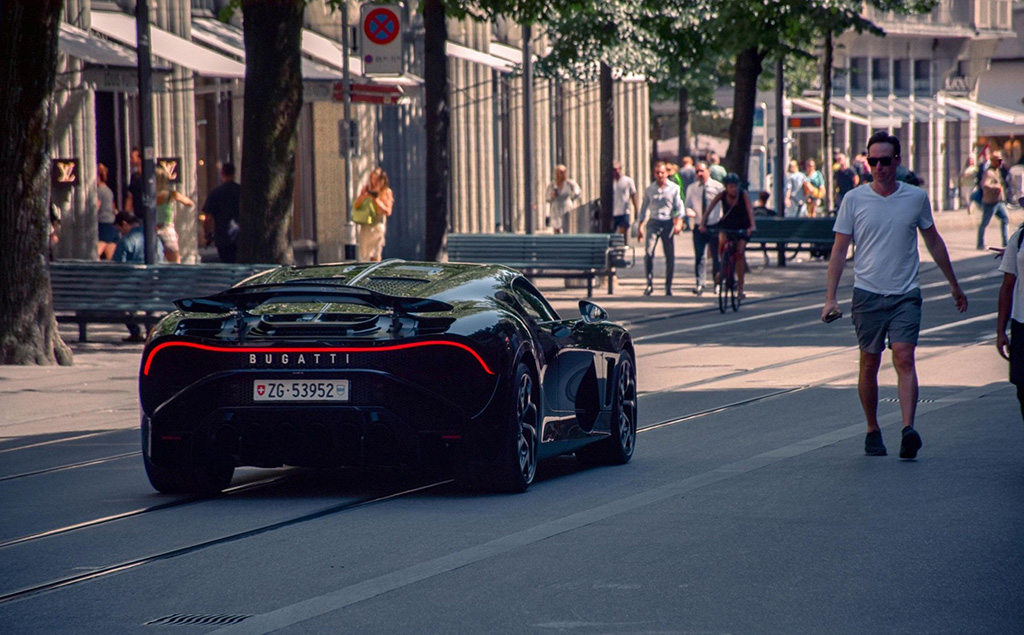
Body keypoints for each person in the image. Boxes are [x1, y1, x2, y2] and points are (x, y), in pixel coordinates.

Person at [822, 131, 967, 459]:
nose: (878, 167)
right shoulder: (854, 200)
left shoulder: (915, 198)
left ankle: (907, 429)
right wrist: (830, 297)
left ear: (897, 161)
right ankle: (873, 428)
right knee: (869, 362)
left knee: (903, 355)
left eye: (885, 161)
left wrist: (954, 285)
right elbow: (839, 250)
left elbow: (934, 241)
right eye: (872, 161)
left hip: (905, 293)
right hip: (867, 294)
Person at [636, 162, 684, 296]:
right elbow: (644, 208)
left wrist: (678, 223)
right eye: (657, 173)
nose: (660, 175)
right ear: (654, 174)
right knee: (649, 253)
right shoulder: (650, 189)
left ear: (667, 173)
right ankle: (649, 284)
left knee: (669, 255)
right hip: (653, 222)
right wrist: (640, 226)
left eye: (662, 172)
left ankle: (668, 286)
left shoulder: (674, 188)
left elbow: (679, 207)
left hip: (667, 222)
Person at [996, 195, 1024, 422]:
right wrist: (1000, 331)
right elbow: (1007, 287)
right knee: (1022, 386)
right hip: (1021, 323)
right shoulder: (1020, 238)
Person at [706, 173, 756, 299]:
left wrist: (751, 226)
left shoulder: (743, 194)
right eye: (730, 187)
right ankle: (721, 271)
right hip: (728, 224)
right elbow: (709, 208)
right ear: (726, 187)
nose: (733, 189)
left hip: (742, 225)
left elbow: (749, 210)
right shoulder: (721, 195)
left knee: (740, 252)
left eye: (735, 186)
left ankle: (740, 288)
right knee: (722, 243)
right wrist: (702, 223)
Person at [685, 162, 724, 295]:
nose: (699, 174)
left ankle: (717, 283)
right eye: (697, 172)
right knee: (700, 256)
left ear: (708, 171)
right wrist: (689, 211)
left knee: (715, 257)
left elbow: (723, 206)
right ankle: (700, 283)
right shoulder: (692, 188)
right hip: (698, 226)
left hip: (714, 225)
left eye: (702, 171)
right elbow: (687, 205)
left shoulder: (718, 187)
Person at [111, 212, 147, 342]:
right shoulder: (154, 238)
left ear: (124, 224)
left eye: (119, 229)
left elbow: (117, 267)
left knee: (119, 299)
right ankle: (150, 331)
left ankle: (135, 332)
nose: (120, 232)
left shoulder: (126, 241)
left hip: (130, 289)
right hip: (153, 288)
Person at [202, 162, 241, 263]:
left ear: (222, 173)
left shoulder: (216, 193)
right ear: (234, 173)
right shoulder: (241, 191)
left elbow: (208, 217)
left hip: (222, 236)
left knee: (226, 263)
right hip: (240, 236)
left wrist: (207, 234)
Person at [354, 167, 394, 261]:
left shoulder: (386, 192)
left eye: (376, 179)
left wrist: (376, 199)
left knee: (375, 254)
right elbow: (357, 205)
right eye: (372, 178)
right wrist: (363, 196)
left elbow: (388, 211)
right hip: (366, 224)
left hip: (378, 225)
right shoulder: (366, 189)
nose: (374, 182)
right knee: (364, 254)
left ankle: (375, 271)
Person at [154, 165, 192, 263]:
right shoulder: (170, 194)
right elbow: (189, 202)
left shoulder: (149, 196)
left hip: (152, 229)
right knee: (175, 261)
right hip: (167, 229)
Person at [977, 151, 1012, 250]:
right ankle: (980, 243)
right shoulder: (989, 172)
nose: (1000, 163)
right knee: (985, 223)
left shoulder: (997, 171)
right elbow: (985, 185)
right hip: (990, 203)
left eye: (1001, 161)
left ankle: (1005, 243)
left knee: (1005, 219)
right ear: (994, 161)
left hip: (999, 202)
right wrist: (996, 187)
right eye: (998, 161)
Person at [545, 164, 581, 234]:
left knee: (567, 227)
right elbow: (547, 198)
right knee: (556, 227)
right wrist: (551, 196)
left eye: (564, 172)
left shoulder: (570, 183)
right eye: (560, 172)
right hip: (556, 207)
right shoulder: (552, 185)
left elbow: (578, 192)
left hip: (566, 206)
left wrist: (572, 198)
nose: (562, 174)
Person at [611, 160, 638, 241]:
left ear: (620, 169)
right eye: (613, 169)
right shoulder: (610, 182)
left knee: (623, 233)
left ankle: (623, 248)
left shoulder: (627, 181)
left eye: (617, 169)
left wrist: (636, 210)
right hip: (613, 212)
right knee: (611, 232)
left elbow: (633, 195)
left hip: (624, 211)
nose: (615, 171)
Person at [96, 163, 118, 260]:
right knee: (110, 253)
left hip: (103, 223)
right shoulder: (109, 190)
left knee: (96, 251)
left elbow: (97, 206)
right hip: (111, 222)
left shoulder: (99, 191)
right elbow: (113, 207)